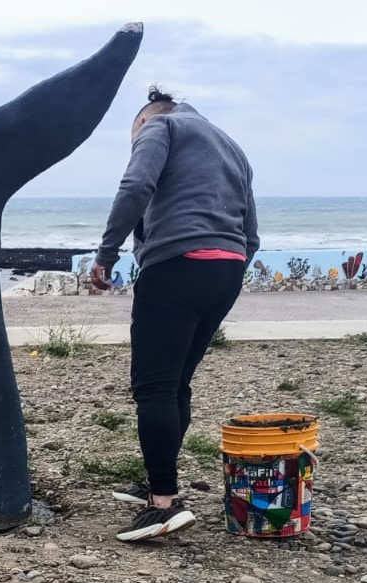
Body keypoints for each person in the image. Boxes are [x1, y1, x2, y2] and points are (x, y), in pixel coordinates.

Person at [91, 87, 259, 543]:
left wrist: (106, 254)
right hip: (225, 271)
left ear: (143, 122)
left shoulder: (160, 127)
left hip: (175, 267)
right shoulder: (231, 146)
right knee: (176, 382)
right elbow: (252, 233)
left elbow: (136, 186)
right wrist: (231, 266)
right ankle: (159, 486)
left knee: (154, 387)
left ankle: (163, 504)